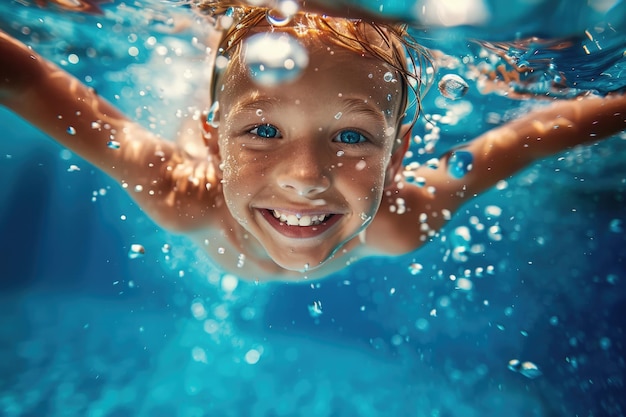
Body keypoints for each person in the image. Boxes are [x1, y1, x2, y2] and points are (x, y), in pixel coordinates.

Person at [0, 1, 624, 282]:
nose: (306, 176)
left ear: (398, 154)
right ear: (213, 145)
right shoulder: (182, 190)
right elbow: (26, 79)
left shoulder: (400, 223)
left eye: (352, 135)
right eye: (264, 130)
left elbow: (539, 134)